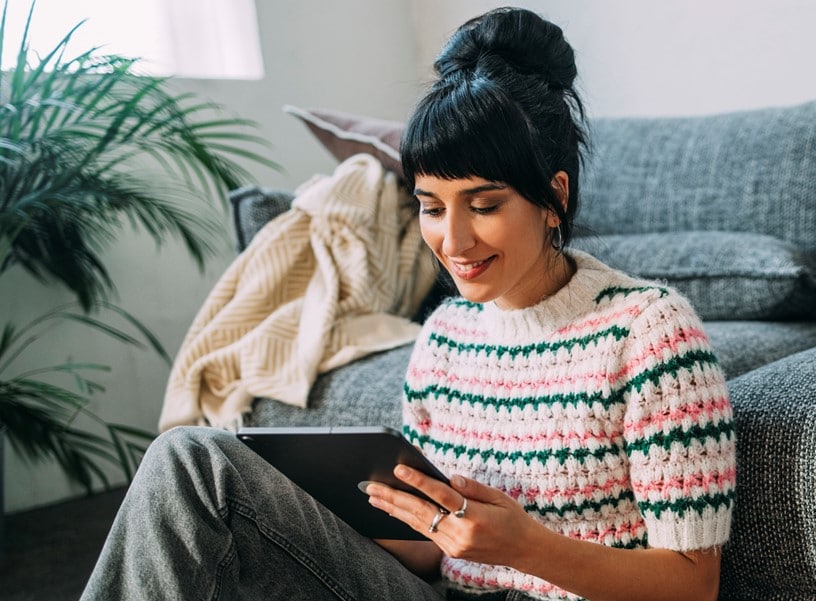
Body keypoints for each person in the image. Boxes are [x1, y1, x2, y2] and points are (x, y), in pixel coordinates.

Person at [82, 7, 735, 601]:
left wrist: (526, 546)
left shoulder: (650, 331)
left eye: (484, 205)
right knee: (193, 462)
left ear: (554, 196)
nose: (452, 241)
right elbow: (424, 550)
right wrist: (305, 510)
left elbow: (692, 583)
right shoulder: (445, 336)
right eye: (430, 206)